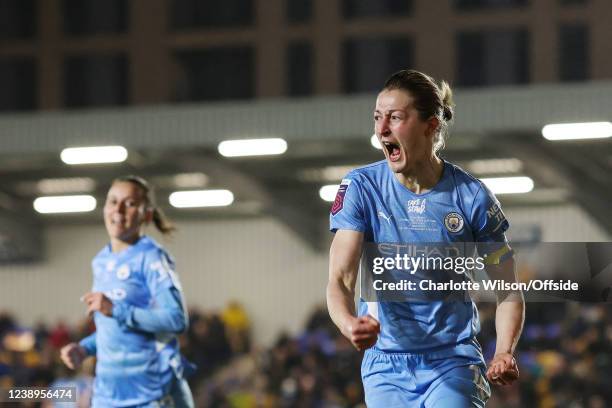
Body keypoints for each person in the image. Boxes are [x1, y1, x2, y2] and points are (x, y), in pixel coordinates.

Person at [326, 69, 525, 407]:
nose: (382, 129)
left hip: (453, 361)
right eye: (377, 118)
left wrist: (504, 351)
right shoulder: (362, 188)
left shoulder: (471, 197)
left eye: (395, 117)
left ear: (430, 125)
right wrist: (348, 324)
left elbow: (508, 290)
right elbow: (340, 279)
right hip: (385, 364)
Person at [60, 175, 195, 408]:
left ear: (147, 215)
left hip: (151, 394)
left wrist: (116, 309)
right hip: (108, 396)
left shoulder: (151, 257)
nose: (118, 209)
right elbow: (113, 330)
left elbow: (176, 320)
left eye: (130, 203)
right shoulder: (100, 261)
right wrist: (84, 349)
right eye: (113, 201)